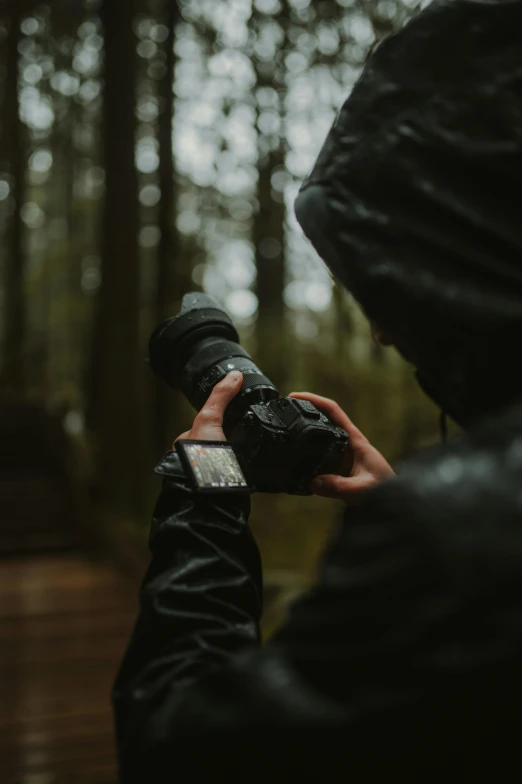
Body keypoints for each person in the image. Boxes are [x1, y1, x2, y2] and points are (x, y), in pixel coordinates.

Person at [113, 1, 522, 781]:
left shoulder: (461, 542)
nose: (382, 334)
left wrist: (208, 490)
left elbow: (181, 751)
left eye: (395, 283)